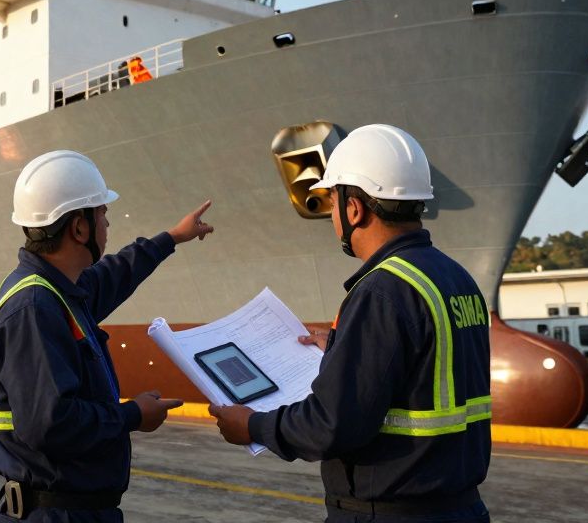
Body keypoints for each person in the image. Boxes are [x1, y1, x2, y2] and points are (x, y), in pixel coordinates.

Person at [208, 124, 492, 522]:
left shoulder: (381, 291)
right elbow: (424, 364)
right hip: (459, 508)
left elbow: (332, 425)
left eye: (332, 202)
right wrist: (346, 346)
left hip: (392, 513)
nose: (332, 216)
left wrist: (254, 427)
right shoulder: (456, 278)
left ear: (354, 209)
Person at [0, 149, 215, 521]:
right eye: (102, 213)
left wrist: (172, 237)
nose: (107, 222)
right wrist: (133, 415)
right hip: (54, 514)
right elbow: (51, 424)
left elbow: (114, 274)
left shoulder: (60, 290)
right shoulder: (34, 308)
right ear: (79, 228)